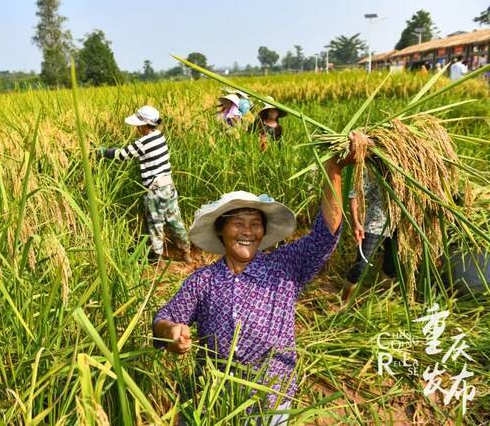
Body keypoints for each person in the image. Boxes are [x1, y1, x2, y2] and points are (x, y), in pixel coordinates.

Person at [152, 133, 366, 424]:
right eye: (238, 224)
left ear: (264, 233)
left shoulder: (285, 267)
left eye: (255, 225)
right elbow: (163, 319)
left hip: (272, 398)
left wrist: (335, 170)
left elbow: (324, 237)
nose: (247, 232)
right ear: (221, 232)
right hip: (216, 399)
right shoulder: (203, 280)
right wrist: (172, 332)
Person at [98, 105, 192, 263]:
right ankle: (186, 253)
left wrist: (103, 152)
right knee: (175, 221)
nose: (136, 129)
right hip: (168, 187)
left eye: (137, 126)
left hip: (155, 191)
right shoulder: (159, 136)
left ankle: (158, 259)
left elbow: (122, 155)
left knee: (155, 225)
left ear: (142, 125)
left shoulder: (144, 142)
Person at [343, 168, 396, 301]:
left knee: (391, 267)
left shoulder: (407, 169)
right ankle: (343, 302)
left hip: (397, 227)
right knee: (360, 266)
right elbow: (354, 194)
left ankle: (382, 302)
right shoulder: (373, 170)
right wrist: (356, 223)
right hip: (374, 225)